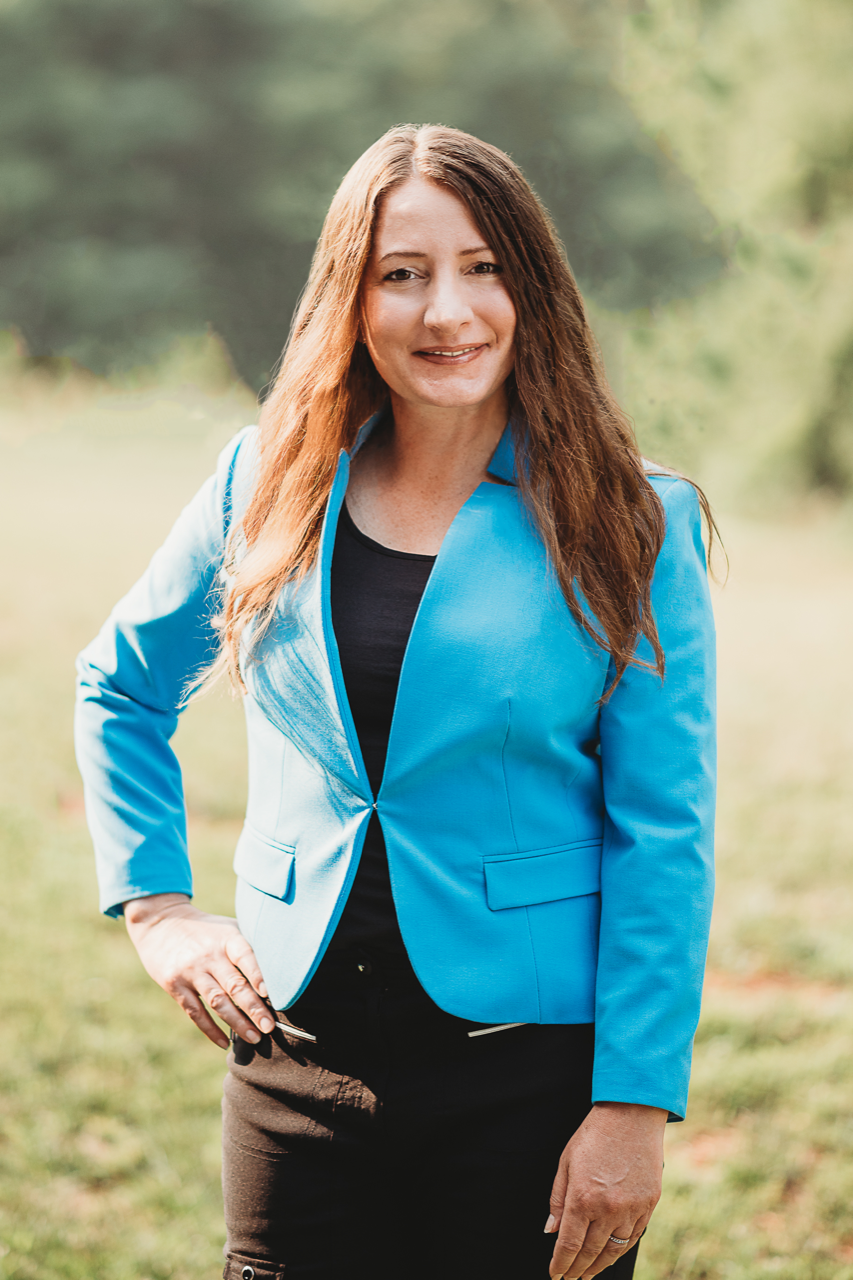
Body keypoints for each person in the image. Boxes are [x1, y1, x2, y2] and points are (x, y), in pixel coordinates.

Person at [75, 124, 716, 1280]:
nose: (446, 312)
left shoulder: (633, 522)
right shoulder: (263, 475)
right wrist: (157, 908)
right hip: (291, 1062)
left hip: (528, 1079)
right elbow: (116, 684)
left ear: (531, 285)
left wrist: (632, 1105)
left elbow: (661, 835)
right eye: (402, 273)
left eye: (482, 267)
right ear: (351, 295)